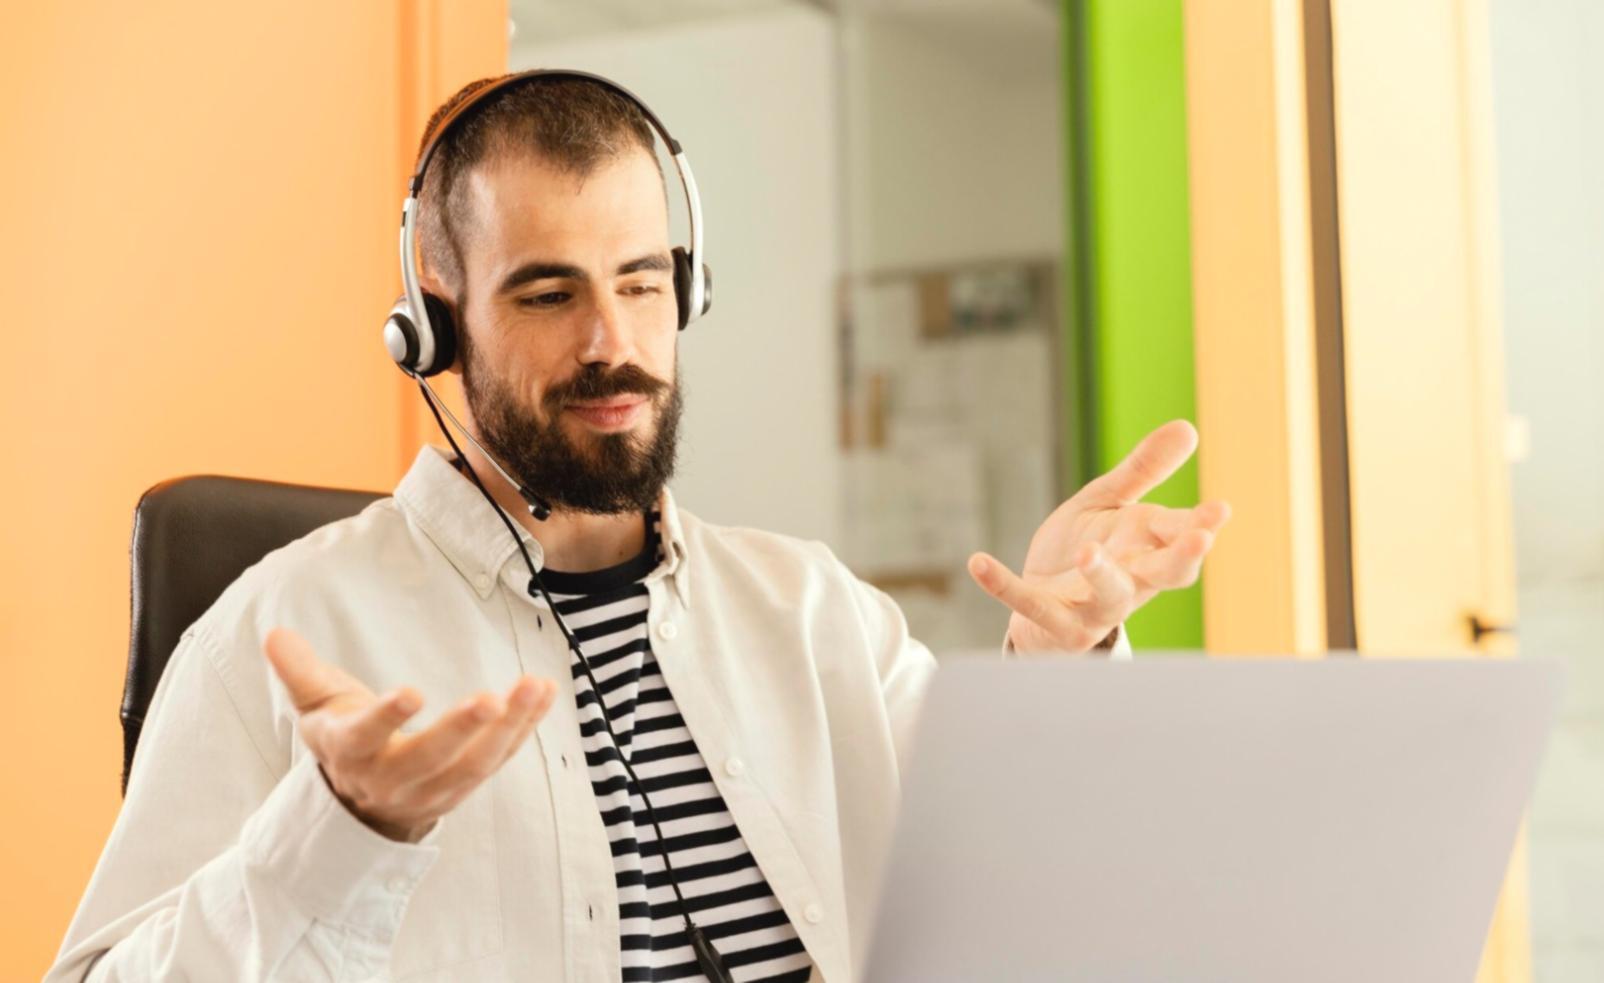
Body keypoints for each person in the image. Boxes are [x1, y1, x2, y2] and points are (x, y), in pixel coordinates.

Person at [48, 72, 1230, 982]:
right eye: (547, 292)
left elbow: (1026, 901)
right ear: (435, 323)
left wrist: (1057, 663)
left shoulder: (809, 611)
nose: (611, 340)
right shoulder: (284, 633)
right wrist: (337, 829)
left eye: (642, 280)